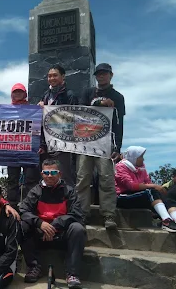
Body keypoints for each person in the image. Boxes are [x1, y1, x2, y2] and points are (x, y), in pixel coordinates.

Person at [20, 159, 86, 289]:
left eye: (53, 172)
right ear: (42, 174)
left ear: (60, 174)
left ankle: (72, 274)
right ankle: (34, 267)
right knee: (22, 226)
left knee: (78, 229)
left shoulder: (69, 191)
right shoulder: (35, 191)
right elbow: (23, 211)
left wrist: (54, 226)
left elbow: (77, 214)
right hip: (40, 234)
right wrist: (39, 223)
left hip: (62, 234)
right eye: (46, 172)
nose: (50, 175)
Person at [76, 63, 125, 229]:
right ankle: (82, 214)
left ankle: (109, 215)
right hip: (85, 142)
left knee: (106, 178)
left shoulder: (118, 97)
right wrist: (100, 102)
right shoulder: (87, 92)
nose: (101, 76)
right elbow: (80, 112)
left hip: (105, 143)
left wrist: (117, 147)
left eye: (104, 74)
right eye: (98, 74)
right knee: (82, 178)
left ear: (111, 75)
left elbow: (119, 123)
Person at [115, 146, 176, 232]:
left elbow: (147, 182)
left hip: (139, 195)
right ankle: (166, 221)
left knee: (163, 195)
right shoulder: (120, 167)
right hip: (123, 197)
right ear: (134, 157)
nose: (143, 159)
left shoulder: (141, 168)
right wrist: (153, 186)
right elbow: (131, 186)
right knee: (151, 191)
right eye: (141, 157)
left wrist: (155, 187)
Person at [38, 65, 78, 187]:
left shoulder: (70, 95)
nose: (52, 78)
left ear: (63, 76)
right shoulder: (45, 96)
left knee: (64, 175)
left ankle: (69, 204)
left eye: (55, 75)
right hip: (47, 143)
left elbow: (73, 119)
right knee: (47, 176)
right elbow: (41, 122)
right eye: (49, 76)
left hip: (63, 144)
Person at [7, 83, 40, 210]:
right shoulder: (5, 110)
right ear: (11, 94)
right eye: (15, 92)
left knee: (30, 180)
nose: (17, 94)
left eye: (20, 92)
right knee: (12, 180)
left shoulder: (34, 109)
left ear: (25, 94)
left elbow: (39, 128)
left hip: (29, 150)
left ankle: (28, 207)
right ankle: (12, 206)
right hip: (11, 151)